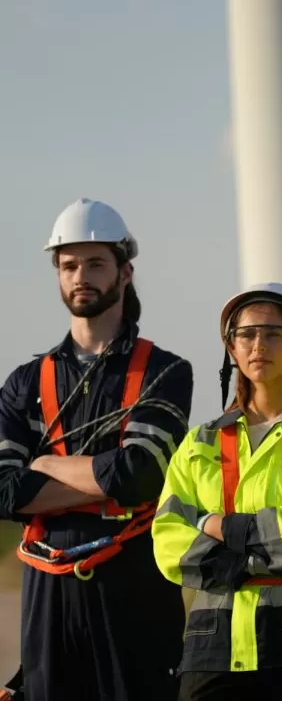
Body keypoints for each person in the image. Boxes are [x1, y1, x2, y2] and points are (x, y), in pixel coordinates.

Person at [0, 198, 194, 701]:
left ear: (125, 271)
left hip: (134, 588)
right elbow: (2, 492)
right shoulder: (25, 382)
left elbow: (141, 476)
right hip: (46, 595)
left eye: (95, 263)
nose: (80, 274)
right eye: (69, 265)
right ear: (57, 274)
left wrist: (43, 466)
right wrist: (101, 482)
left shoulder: (166, 371)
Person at [152, 282, 282, 701]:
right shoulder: (200, 443)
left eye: (273, 333)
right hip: (213, 648)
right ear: (231, 348)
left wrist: (209, 524)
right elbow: (165, 542)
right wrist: (251, 555)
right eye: (245, 335)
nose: (257, 345)